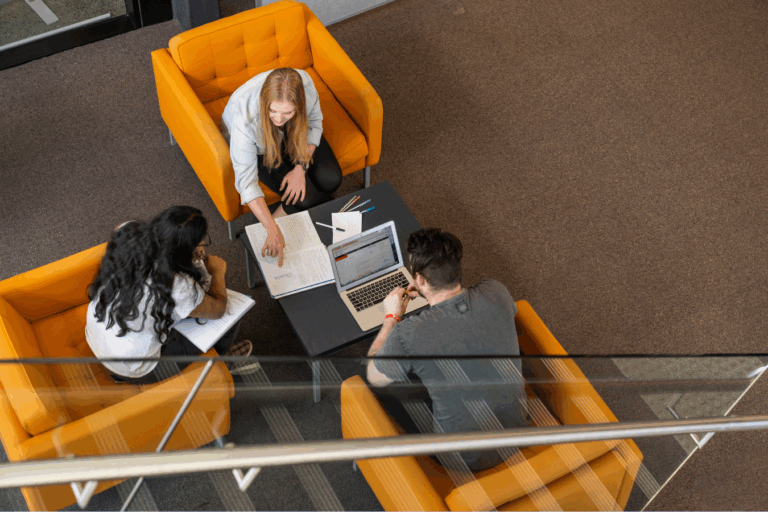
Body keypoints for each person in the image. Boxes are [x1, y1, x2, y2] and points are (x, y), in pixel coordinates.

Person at [366, 228, 530, 472]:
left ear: (420, 279)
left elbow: (374, 375)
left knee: (378, 381)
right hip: (520, 431)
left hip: (465, 460)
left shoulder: (409, 333)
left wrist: (392, 317)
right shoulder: (497, 291)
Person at [85, 206, 259, 384]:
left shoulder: (126, 230)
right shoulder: (177, 284)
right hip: (135, 367)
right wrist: (218, 273)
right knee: (229, 319)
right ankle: (222, 365)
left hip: (100, 337)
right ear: (184, 251)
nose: (202, 245)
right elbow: (219, 309)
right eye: (200, 242)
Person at [221, 67, 343, 267]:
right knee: (306, 199)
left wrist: (300, 169)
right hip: (261, 145)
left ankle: (304, 208)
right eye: (273, 110)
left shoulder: (306, 85)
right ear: (265, 103)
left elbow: (314, 124)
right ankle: (302, 211)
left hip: (295, 131)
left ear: (298, 105)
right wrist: (271, 228)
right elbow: (246, 182)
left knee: (332, 180)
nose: (278, 119)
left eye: (287, 112)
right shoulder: (245, 120)